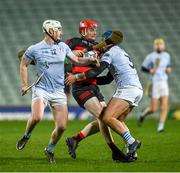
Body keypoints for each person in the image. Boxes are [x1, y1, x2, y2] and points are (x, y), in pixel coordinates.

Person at [16, 19, 98, 163]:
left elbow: (76, 61)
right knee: (37, 117)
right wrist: (24, 85)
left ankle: (50, 149)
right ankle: (26, 135)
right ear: (50, 31)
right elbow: (23, 64)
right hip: (41, 89)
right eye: (58, 29)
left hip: (58, 91)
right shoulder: (34, 49)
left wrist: (90, 61)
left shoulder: (63, 47)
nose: (61, 32)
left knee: (62, 126)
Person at [65, 30, 143, 159]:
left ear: (107, 42)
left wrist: (77, 77)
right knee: (116, 120)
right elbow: (107, 79)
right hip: (137, 90)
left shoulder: (109, 53)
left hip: (127, 89)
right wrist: (87, 78)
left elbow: (96, 72)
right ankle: (132, 152)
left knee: (107, 118)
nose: (101, 45)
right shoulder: (121, 52)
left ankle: (132, 142)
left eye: (103, 41)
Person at [138, 38, 171, 132]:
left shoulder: (167, 56)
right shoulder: (151, 56)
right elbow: (143, 68)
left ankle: (160, 126)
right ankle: (143, 114)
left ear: (163, 46)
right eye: (157, 44)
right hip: (155, 83)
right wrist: (150, 70)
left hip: (164, 82)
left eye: (161, 44)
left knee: (164, 105)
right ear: (155, 46)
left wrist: (168, 69)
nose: (159, 46)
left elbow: (167, 66)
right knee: (153, 109)